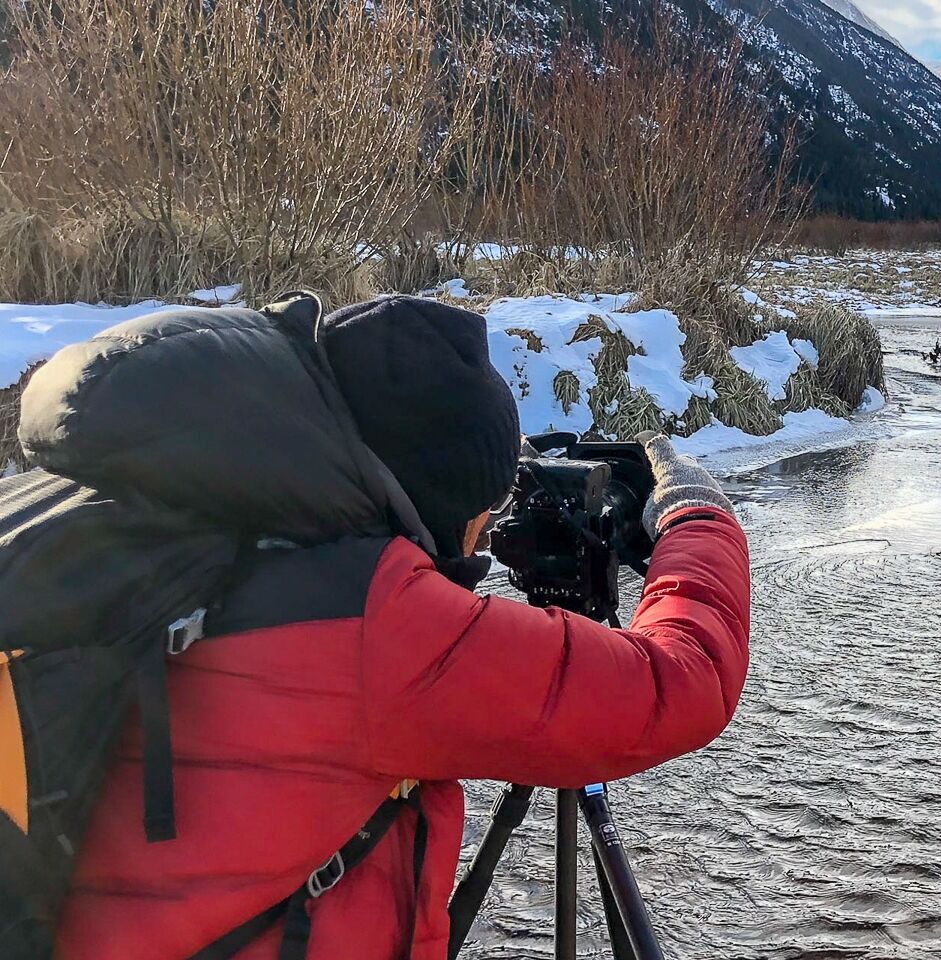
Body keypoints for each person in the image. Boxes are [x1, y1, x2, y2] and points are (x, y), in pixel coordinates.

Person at [31, 293, 750, 959]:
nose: (486, 538)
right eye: (487, 514)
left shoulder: (192, 522)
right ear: (442, 501)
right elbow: (681, 681)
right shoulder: (377, 627)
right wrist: (697, 516)